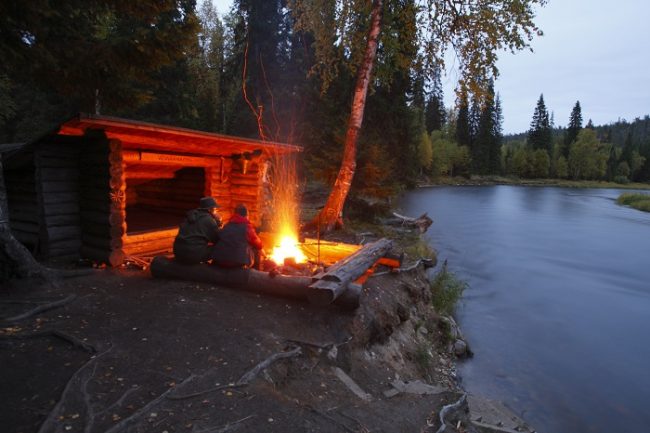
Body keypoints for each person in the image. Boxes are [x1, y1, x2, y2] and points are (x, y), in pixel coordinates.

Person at [212, 204, 265, 269]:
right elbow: (258, 244)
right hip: (236, 263)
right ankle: (254, 274)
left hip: (219, 260)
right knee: (256, 250)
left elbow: (219, 238)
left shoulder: (227, 226)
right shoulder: (247, 227)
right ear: (246, 216)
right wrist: (263, 251)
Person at [173, 196, 222, 264]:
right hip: (192, 254)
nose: (216, 211)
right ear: (210, 209)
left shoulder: (191, 216)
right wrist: (218, 222)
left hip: (178, 252)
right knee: (221, 246)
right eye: (215, 209)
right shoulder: (208, 220)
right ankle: (215, 268)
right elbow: (217, 239)